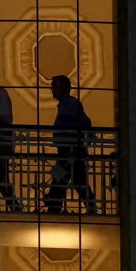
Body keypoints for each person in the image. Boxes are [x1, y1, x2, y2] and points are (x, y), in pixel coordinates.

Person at [44, 75, 95, 215]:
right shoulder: (70, 103)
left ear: (64, 88)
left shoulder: (69, 104)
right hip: (71, 149)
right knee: (73, 179)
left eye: (55, 86)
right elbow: (85, 122)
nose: (52, 90)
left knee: (62, 179)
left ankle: (53, 209)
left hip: (70, 149)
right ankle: (90, 208)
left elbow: (83, 122)